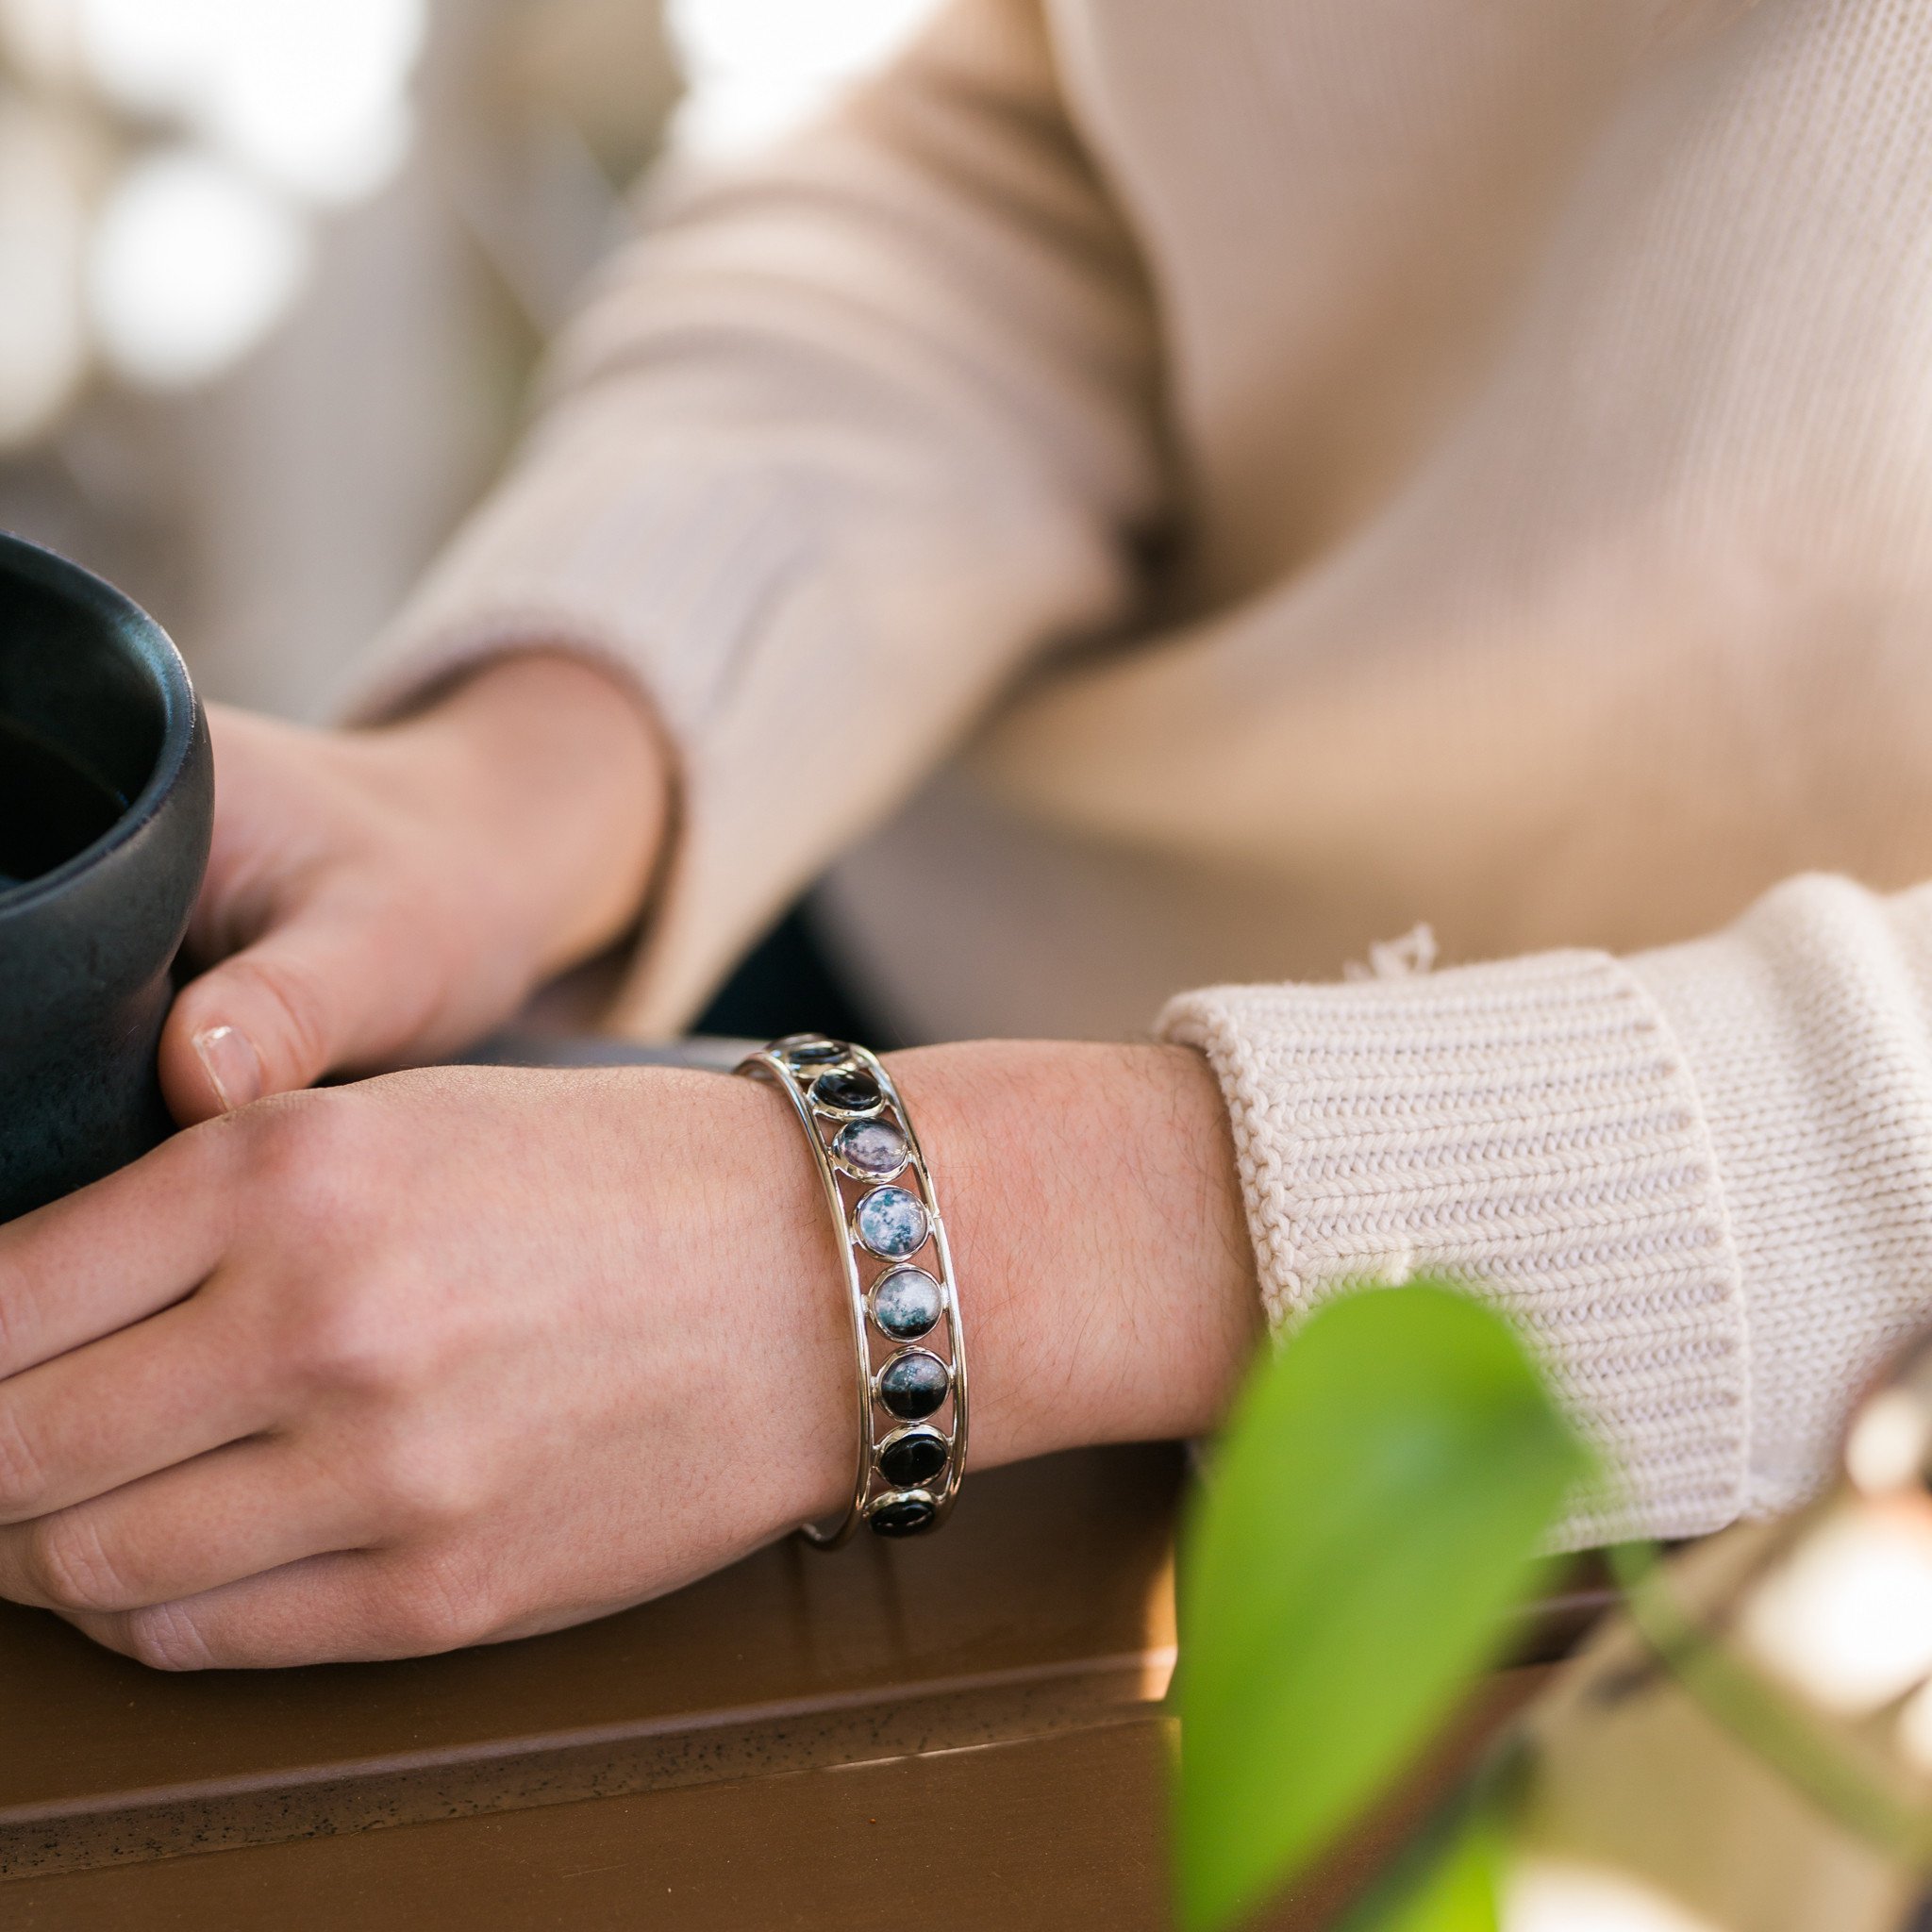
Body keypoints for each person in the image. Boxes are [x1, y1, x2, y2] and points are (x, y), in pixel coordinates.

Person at [2, 0, 1931, 1669]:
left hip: (1662, 1517)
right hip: (806, 976)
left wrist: (919, 1255)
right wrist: (544, 761)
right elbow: (1044, 125)